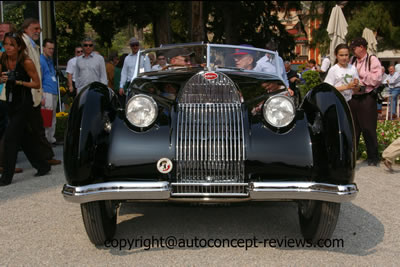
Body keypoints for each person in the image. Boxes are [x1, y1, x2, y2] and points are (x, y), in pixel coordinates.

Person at [0, 32, 51, 186]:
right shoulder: (3, 58)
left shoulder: (26, 61)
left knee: (10, 138)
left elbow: (37, 84)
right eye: (6, 44)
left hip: (24, 102)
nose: (8, 48)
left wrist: (20, 82)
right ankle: (43, 165)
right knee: (24, 137)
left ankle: (6, 177)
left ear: (19, 47)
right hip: (11, 101)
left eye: (11, 45)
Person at [21, 18, 61, 166]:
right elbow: (37, 75)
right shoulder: (30, 49)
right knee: (42, 124)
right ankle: (45, 155)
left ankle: (45, 156)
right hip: (38, 93)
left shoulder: (42, 54)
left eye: (39, 29)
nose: (38, 31)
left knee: (44, 124)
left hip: (45, 92)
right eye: (35, 28)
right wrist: (41, 92)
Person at [349, 37, 382, 166]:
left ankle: (373, 157)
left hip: (367, 97)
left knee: (368, 127)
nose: (352, 51)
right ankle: (352, 155)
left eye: (354, 48)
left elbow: (376, 79)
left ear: (362, 47)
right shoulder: (352, 60)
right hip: (353, 97)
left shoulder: (372, 60)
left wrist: (361, 74)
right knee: (353, 128)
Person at [0, 22, 22, 174]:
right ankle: (5, 165)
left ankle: (6, 164)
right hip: (2, 95)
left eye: (4, 32)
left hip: (10, 95)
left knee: (8, 129)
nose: (1, 34)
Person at [40, 39, 58, 144]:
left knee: (52, 117)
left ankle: (51, 138)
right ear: (44, 48)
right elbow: (39, 78)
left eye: (52, 49)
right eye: (49, 48)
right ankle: (45, 140)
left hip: (53, 90)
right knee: (46, 117)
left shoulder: (50, 60)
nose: (51, 51)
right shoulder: (41, 60)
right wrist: (41, 95)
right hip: (46, 91)